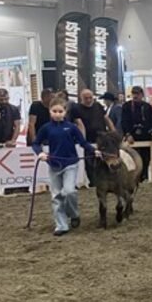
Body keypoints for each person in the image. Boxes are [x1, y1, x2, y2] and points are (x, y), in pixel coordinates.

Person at [32, 99, 97, 236]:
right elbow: (36, 143)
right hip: (54, 164)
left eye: (60, 111)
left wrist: (93, 151)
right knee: (56, 195)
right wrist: (40, 153)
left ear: (65, 112)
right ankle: (61, 225)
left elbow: (82, 142)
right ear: (50, 111)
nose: (57, 114)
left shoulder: (72, 127)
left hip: (70, 163)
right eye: (54, 111)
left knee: (69, 191)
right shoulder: (46, 128)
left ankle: (73, 214)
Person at [121, 86, 152, 181]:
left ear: (142, 95)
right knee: (132, 159)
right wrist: (128, 134)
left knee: (146, 159)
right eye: (133, 94)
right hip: (132, 137)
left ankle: (144, 176)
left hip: (145, 137)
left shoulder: (147, 106)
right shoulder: (127, 106)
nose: (135, 96)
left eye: (137, 94)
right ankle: (132, 178)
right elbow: (124, 122)